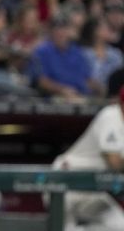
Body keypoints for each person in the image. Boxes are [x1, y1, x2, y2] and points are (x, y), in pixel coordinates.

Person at [51, 86, 124, 231]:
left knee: (119, 225)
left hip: (92, 188)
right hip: (67, 181)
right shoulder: (111, 116)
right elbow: (114, 162)